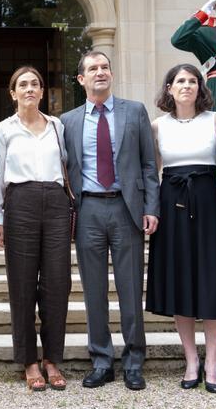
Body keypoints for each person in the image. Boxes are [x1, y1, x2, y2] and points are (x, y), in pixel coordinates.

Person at [62, 51, 159, 391]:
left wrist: (151, 207)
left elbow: (149, 164)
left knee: (131, 288)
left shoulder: (135, 112)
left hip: (126, 208)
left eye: (105, 67)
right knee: (94, 291)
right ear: (81, 79)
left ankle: (134, 361)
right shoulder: (67, 121)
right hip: (87, 209)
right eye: (92, 69)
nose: (100, 72)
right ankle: (101, 360)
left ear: (111, 74)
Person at [146, 63, 216, 393]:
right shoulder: (156, 127)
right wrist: (151, 212)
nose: (186, 85)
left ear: (201, 87)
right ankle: (191, 361)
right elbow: (151, 174)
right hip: (171, 207)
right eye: (179, 81)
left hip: (208, 202)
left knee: (212, 281)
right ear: (169, 88)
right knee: (179, 282)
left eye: (192, 81)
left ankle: (212, 361)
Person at [0, 66, 71, 392]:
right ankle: (29, 361)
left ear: (41, 91)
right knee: (21, 285)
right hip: (19, 202)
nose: (30, 89)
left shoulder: (56, 126)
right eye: (23, 84)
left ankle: (52, 358)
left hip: (54, 202)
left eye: (35, 84)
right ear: (13, 93)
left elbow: (66, 166)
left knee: (57, 283)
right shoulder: (3, 130)